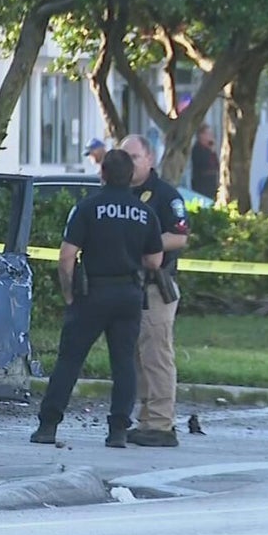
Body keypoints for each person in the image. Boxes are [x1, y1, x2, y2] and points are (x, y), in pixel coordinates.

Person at [31, 149, 164, 448]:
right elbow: (155, 260)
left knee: (69, 361)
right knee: (124, 364)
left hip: (92, 293)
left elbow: (67, 256)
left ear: (102, 173)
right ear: (131, 176)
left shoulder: (88, 208)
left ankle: (48, 426)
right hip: (129, 294)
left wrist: (68, 293)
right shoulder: (145, 213)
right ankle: (118, 430)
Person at [119, 134, 190, 447]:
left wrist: (143, 243)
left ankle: (161, 423)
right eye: (123, 156)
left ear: (149, 159)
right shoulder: (118, 193)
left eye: (133, 157)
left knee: (156, 354)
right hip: (127, 284)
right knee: (137, 356)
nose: (128, 163)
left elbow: (179, 237)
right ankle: (146, 420)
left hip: (155, 286)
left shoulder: (164, 195)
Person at [191, 124, 220, 199]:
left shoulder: (210, 149)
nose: (211, 136)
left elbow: (216, 165)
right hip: (202, 185)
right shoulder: (197, 149)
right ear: (201, 135)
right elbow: (204, 164)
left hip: (212, 184)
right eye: (208, 134)